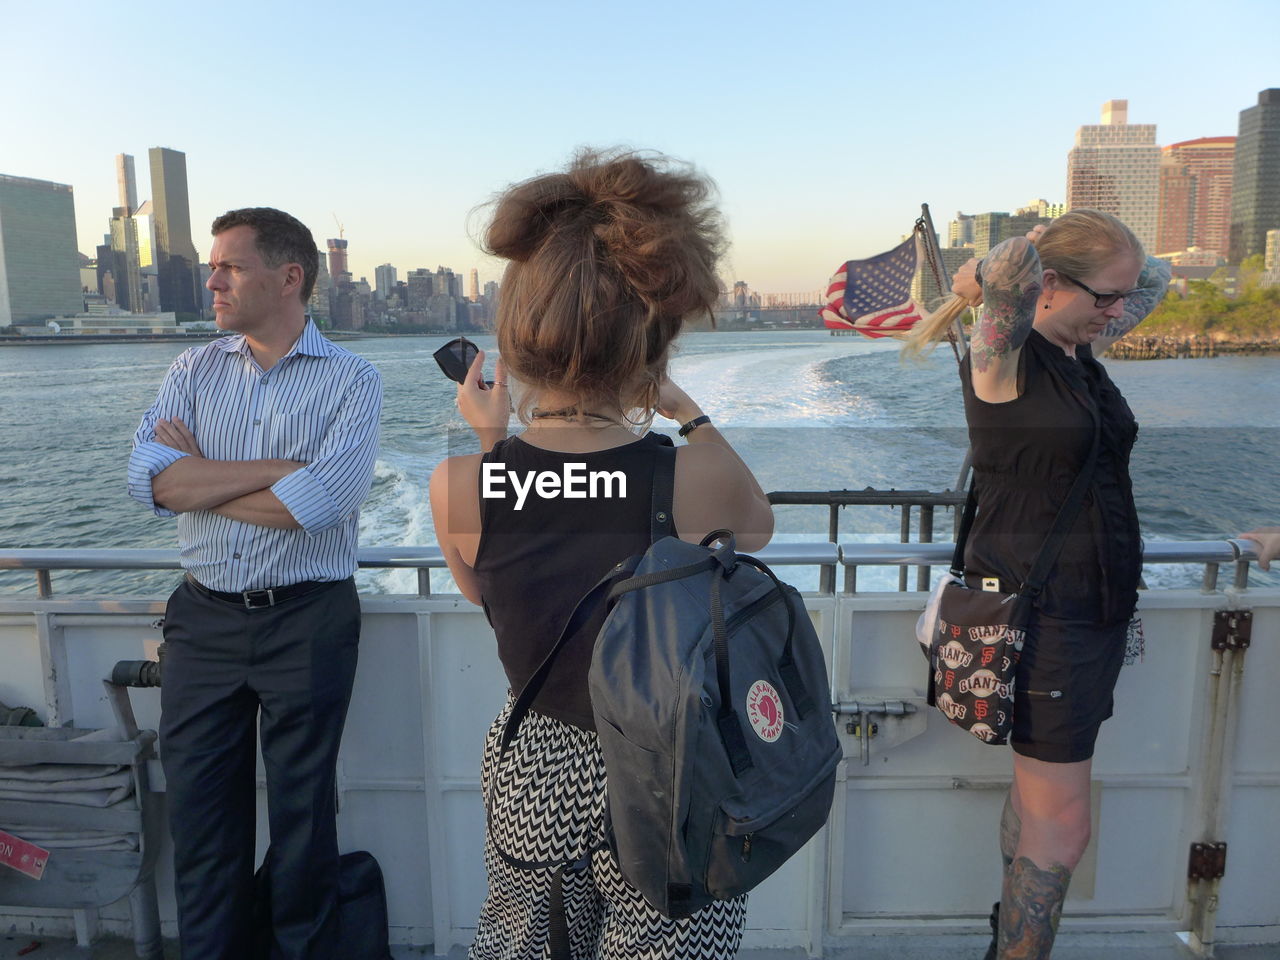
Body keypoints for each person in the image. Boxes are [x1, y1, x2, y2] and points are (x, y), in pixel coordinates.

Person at [429, 150, 774, 960]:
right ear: (652, 341)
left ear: (517, 335)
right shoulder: (689, 475)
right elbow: (753, 525)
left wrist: (492, 441)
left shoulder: (458, 485)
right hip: (667, 770)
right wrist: (687, 413)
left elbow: (488, 592)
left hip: (537, 763)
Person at [905, 210, 1171, 958]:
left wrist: (1090, 287)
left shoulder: (1078, 344)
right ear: (1051, 285)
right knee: (1064, 824)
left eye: (1119, 299)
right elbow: (1017, 266)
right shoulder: (1003, 359)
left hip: (1095, 611)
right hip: (1047, 615)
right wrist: (980, 278)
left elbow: (1157, 275)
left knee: (1036, 803)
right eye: (1106, 297)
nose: (1121, 311)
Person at [127, 207, 382, 960]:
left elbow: (321, 505)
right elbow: (149, 481)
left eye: (230, 267)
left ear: (289, 277)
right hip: (202, 621)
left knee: (306, 820)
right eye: (215, 266)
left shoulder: (351, 379)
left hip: (307, 618)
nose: (212, 281)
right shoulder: (193, 369)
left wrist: (199, 474)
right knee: (202, 819)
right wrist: (277, 473)